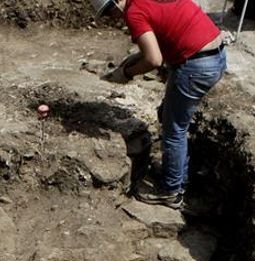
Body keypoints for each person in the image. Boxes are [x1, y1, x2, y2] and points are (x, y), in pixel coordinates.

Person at [94, 0, 226, 209]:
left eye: (110, 10)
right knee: (169, 115)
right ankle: (177, 176)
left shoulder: (134, 11)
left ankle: (171, 192)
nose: (112, 17)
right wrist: (135, 57)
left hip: (196, 65)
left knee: (174, 130)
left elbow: (154, 60)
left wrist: (126, 74)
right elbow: (164, 30)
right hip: (215, 53)